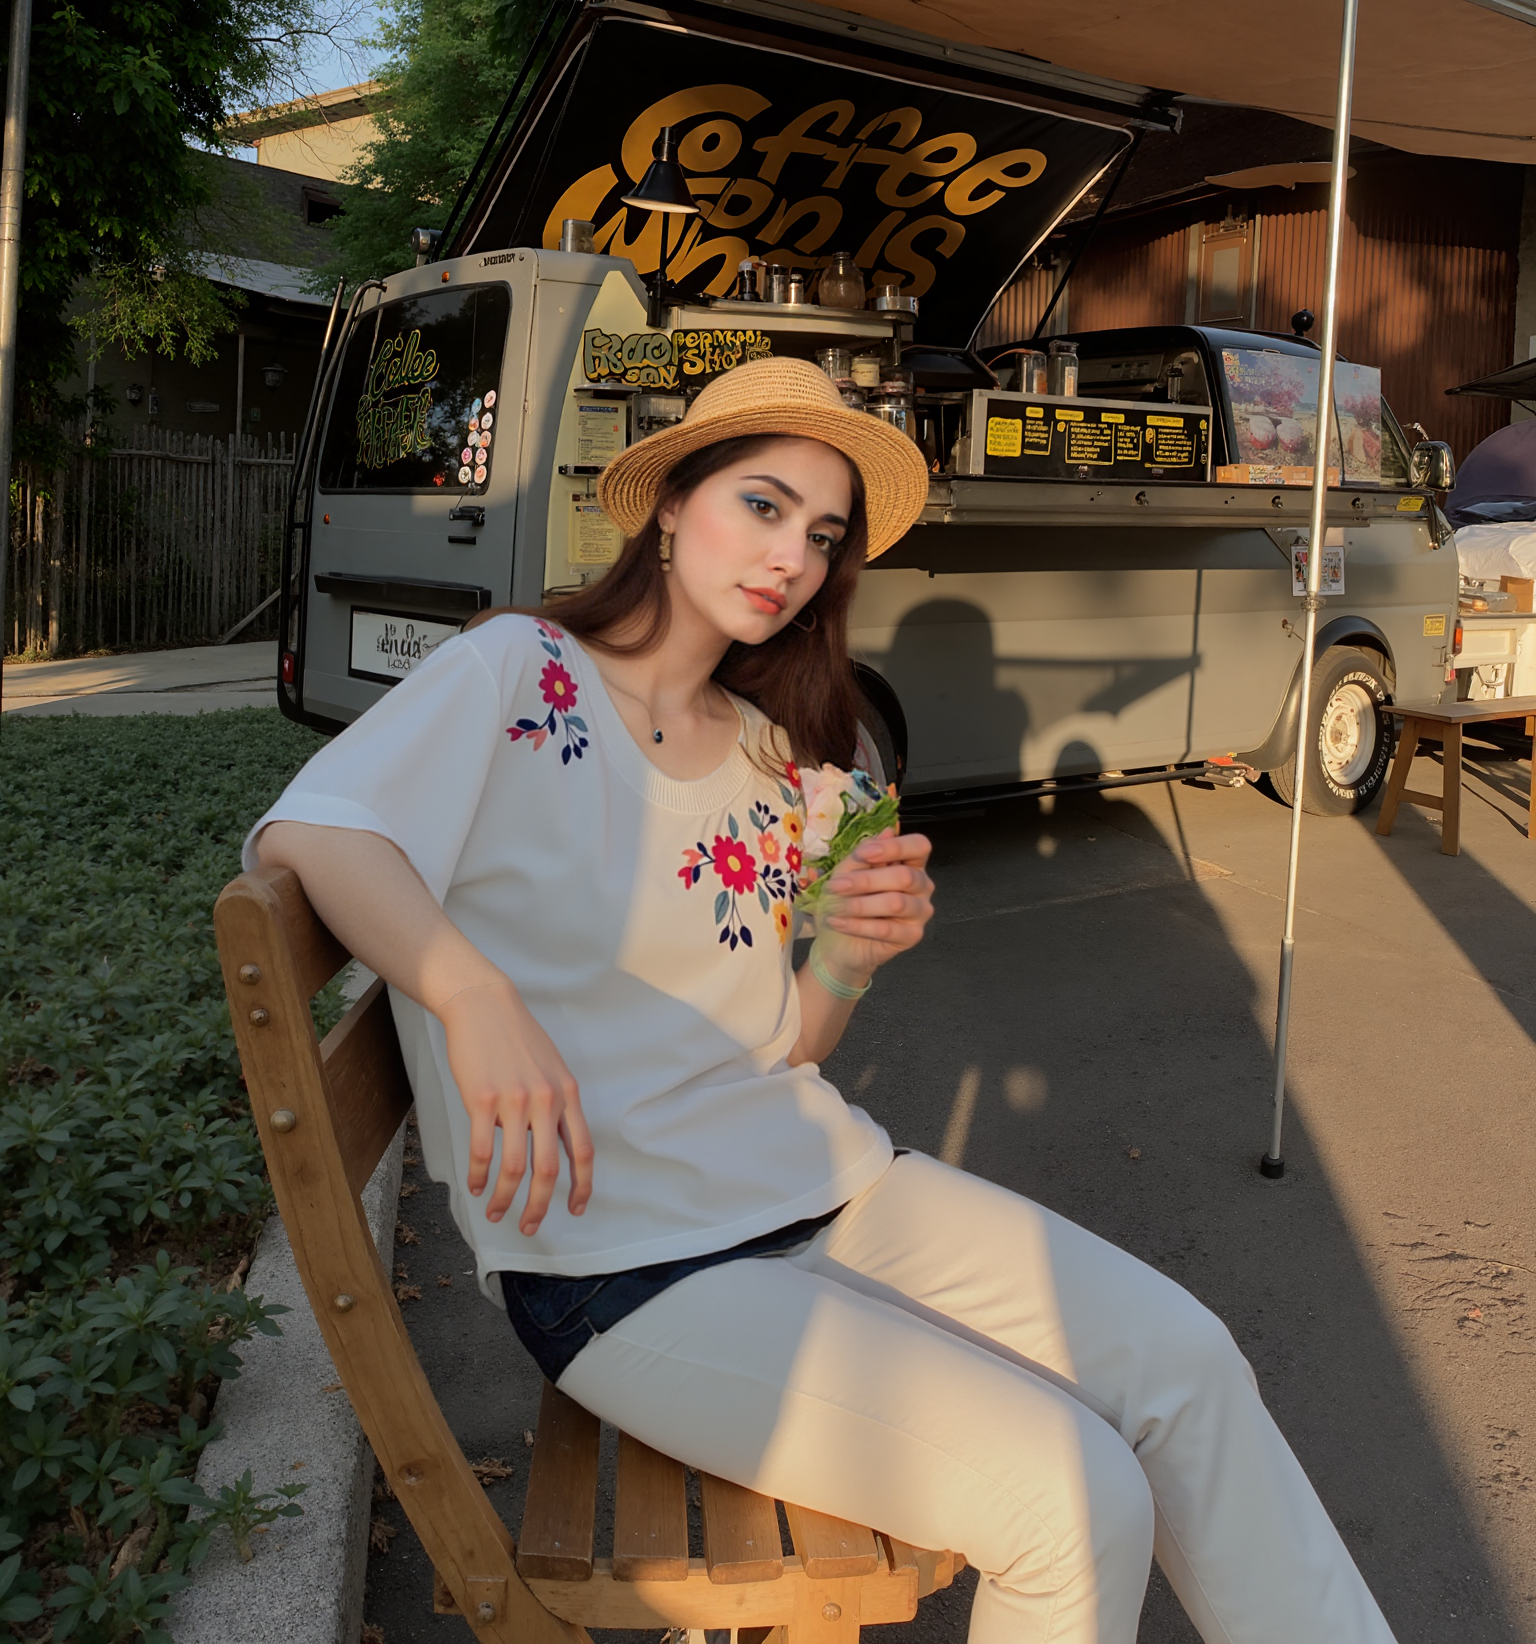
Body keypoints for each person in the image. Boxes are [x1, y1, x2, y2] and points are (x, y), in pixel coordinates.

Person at [249, 356, 1396, 1644]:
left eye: (822, 533)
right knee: (1074, 1498)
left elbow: (783, 1044)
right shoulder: (522, 671)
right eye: (762, 503)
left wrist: (849, 953)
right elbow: (314, 833)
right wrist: (471, 995)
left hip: (818, 1185)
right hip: (627, 1264)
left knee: (1187, 1363)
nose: (790, 554)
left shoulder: (771, 748)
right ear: (670, 505)